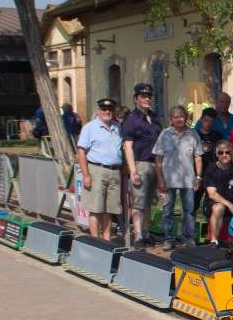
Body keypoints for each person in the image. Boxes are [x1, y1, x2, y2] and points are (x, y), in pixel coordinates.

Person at [154, 105, 203, 248]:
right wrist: (160, 179)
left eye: (181, 116)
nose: (179, 119)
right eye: (175, 117)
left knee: (189, 211)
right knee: (167, 211)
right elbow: (158, 159)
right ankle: (168, 239)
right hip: (168, 180)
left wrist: (198, 177)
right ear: (171, 119)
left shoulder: (193, 134)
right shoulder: (164, 134)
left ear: (186, 117)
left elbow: (198, 157)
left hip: (188, 180)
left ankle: (188, 238)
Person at [76, 97, 123, 240]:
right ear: (98, 111)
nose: (107, 112)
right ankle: (94, 240)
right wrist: (86, 175)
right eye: (104, 109)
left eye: (110, 109)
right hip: (96, 170)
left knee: (109, 209)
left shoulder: (117, 128)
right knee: (95, 209)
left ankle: (106, 238)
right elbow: (81, 151)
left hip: (114, 172)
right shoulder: (89, 128)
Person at [121, 83, 162, 245]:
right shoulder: (131, 119)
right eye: (143, 96)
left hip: (154, 164)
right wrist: (133, 171)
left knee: (148, 201)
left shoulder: (154, 117)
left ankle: (145, 233)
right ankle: (137, 234)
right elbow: (128, 146)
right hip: (140, 163)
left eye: (149, 96)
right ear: (135, 99)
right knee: (138, 202)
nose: (147, 99)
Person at [204, 140, 233, 243]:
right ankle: (214, 240)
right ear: (217, 154)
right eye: (221, 152)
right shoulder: (210, 170)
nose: (224, 155)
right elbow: (212, 194)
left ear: (232, 153)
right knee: (219, 208)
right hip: (215, 202)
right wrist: (229, 205)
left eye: (227, 152)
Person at [196, 107, 222, 173]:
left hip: (214, 172)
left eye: (211, 121)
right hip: (197, 172)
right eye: (206, 120)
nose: (208, 123)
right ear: (201, 119)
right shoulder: (194, 136)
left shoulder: (218, 136)